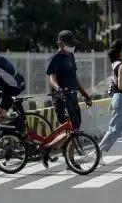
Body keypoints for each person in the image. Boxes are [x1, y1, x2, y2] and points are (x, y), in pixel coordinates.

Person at [44, 30, 93, 166]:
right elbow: (51, 78)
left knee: (74, 129)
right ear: (60, 43)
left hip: (72, 97)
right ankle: (70, 161)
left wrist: (84, 93)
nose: (71, 46)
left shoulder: (71, 56)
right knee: (71, 131)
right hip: (61, 99)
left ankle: (48, 148)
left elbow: (75, 77)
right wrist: (58, 88)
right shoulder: (55, 58)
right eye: (68, 44)